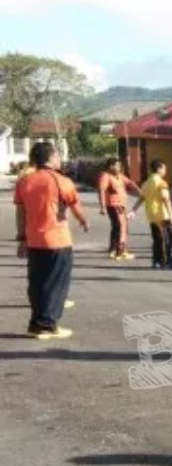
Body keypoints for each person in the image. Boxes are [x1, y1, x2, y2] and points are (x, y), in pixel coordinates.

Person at [14, 143, 88, 340]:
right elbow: (75, 205)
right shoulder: (61, 180)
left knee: (38, 283)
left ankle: (36, 324)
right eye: (57, 155)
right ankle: (48, 325)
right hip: (57, 240)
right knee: (57, 284)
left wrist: (22, 238)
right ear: (50, 157)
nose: (59, 159)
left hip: (34, 240)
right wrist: (83, 220)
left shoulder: (24, 181)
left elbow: (20, 213)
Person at [132, 159, 172, 270]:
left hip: (151, 215)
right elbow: (165, 199)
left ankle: (156, 261)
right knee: (167, 240)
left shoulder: (146, 183)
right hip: (162, 215)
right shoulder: (161, 183)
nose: (165, 170)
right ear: (159, 169)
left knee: (157, 239)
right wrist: (171, 215)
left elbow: (141, 198)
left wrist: (133, 210)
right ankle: (168, 262)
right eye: (164, 168)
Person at [97, 157, 140, 260]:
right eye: (117, 166)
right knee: (121, 227)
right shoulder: (106, 176)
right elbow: (101, 191)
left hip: (121, 205)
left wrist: (139, 191)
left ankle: (113, 250)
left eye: (119, 166)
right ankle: (120, 252)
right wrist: (102, 207)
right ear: (110, 166)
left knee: (116, 228)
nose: (119, 168)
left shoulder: (119, 176)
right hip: (114, 205)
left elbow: (129, 183)